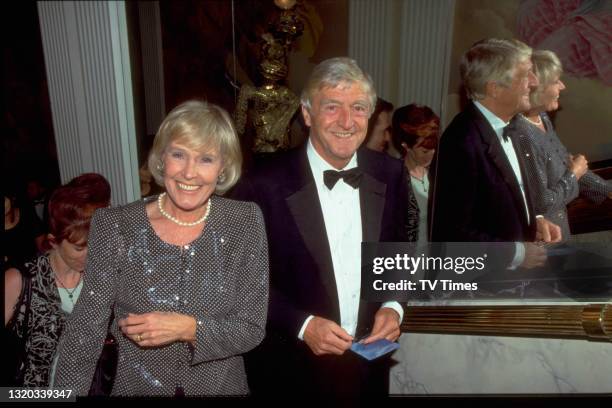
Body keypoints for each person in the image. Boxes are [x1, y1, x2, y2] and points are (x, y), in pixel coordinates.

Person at [53, 100, 269, 396]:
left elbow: (251, 328)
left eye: (206, 159)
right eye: (178, 155)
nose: (189, 173)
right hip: (134, 388)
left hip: (221, 388)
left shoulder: (244, 220)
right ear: (161, 159)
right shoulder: (115, 224)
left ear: (222, 168)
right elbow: (85, 330)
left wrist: (188, 328)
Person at [233, 57, 415, 398]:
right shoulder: (262, 185)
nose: (347, 122)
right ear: (307, 114)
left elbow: (400, 254)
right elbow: (243, 281)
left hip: (368, 368)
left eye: (359, 108)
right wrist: (302, 325)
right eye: (332, 107)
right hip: (292, 370)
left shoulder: (390, 173)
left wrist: (394, 305)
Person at [430, 38, 561, 270]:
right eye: (527, 74)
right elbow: (450, 234)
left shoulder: (513, 127)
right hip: (481, 291)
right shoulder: (460, 143)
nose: (534, 82)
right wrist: (517, 254)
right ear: (495, 88)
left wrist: (535, 221)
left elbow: (503, 202)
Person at [4, 173, 111, 387]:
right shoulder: (20, 280)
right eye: (79, 248)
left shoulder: (104, 276)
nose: (91, 255)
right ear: (53, 241)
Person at [513, 49, 612, 239]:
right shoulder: (522, 135)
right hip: (543, 239)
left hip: (560, 229)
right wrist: (574, 174)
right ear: (536, 87)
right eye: (555, 81)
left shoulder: (542, 117)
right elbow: (543, 204)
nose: (563, 86)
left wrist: (607, 191)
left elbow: (564, 163)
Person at [392, 104, 439, 248]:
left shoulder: (439, 173)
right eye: (425, 151)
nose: (432, 154)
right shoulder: (395, 179)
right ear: (405, 145)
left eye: (434, 148)